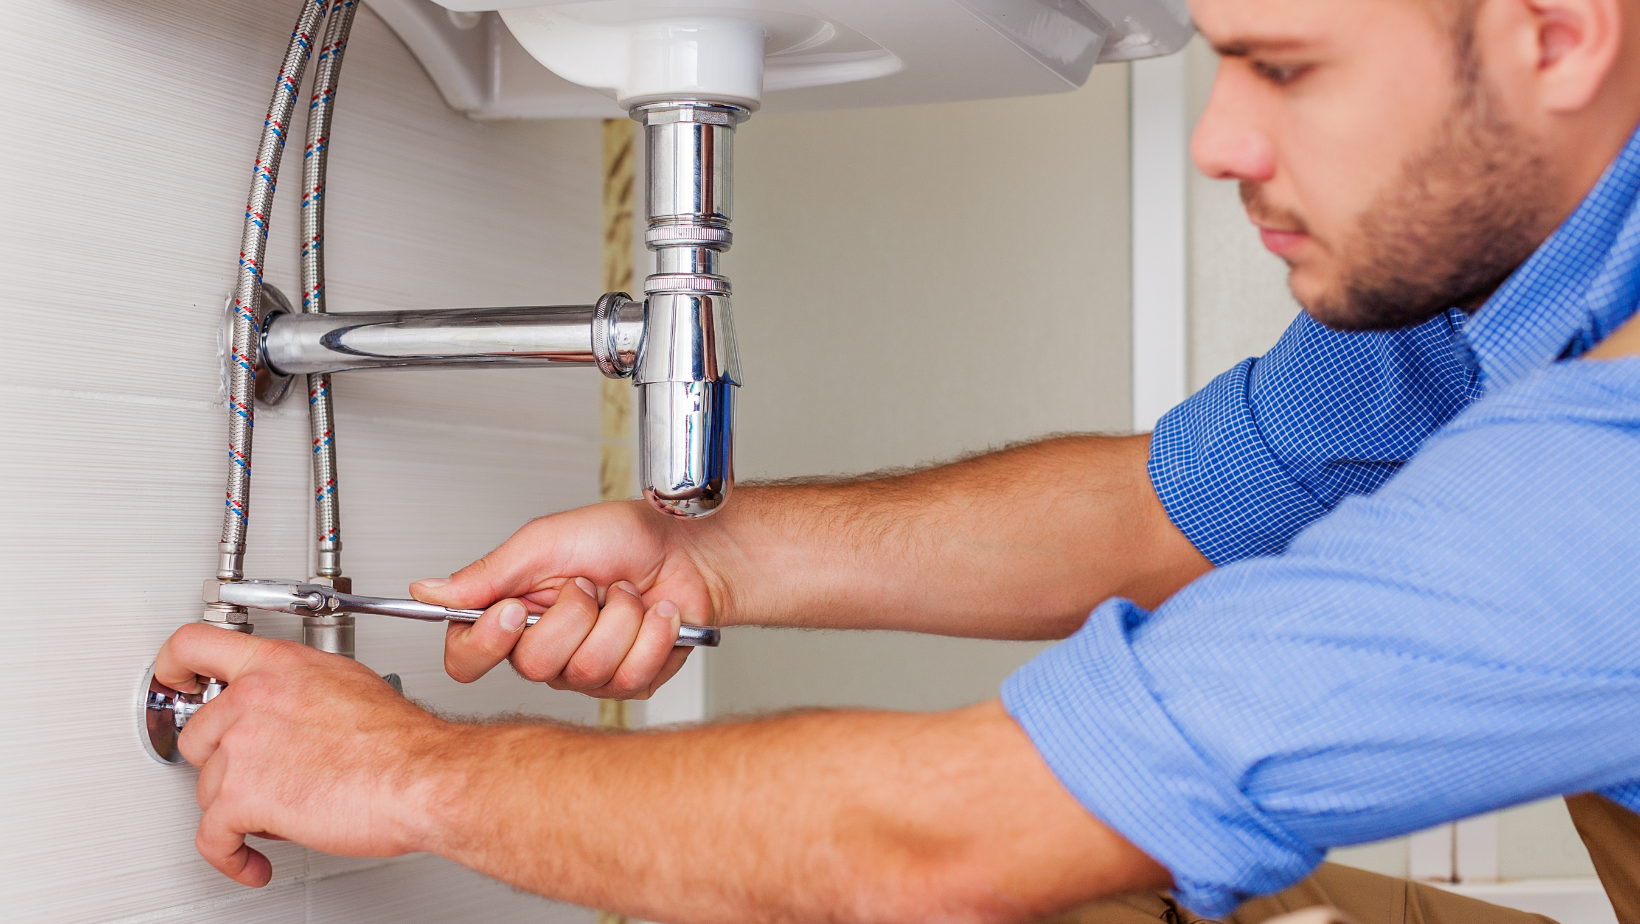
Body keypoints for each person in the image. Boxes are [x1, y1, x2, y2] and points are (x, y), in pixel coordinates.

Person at [154, 0, 1640, 921]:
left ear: (1560, 30)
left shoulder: (1611, 467)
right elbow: (1160, 508)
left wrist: (409, 773)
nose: (1218, 142)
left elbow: (952, 844)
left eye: (1284, 67)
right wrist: (710, 556)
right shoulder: (1500, 288)